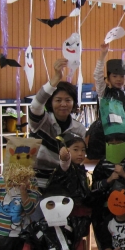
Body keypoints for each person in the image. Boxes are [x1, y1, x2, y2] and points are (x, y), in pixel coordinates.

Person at [28, 57, 86, 188]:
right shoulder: (41, 122)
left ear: (73, 103)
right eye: (58, 100)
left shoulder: (79, 129)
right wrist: (56, 78)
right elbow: (35, 105)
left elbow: (78, 159)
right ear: (51, 102)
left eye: (68, 100)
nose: (63, 104)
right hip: (37, 183)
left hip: (66, 184)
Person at [94, 43, 125, 156]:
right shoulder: (104, 92)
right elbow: (97, 76)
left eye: (122, 76)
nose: (118, 79)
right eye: (114, 76)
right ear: (108, 78)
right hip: (106, 135)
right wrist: (103, 55)